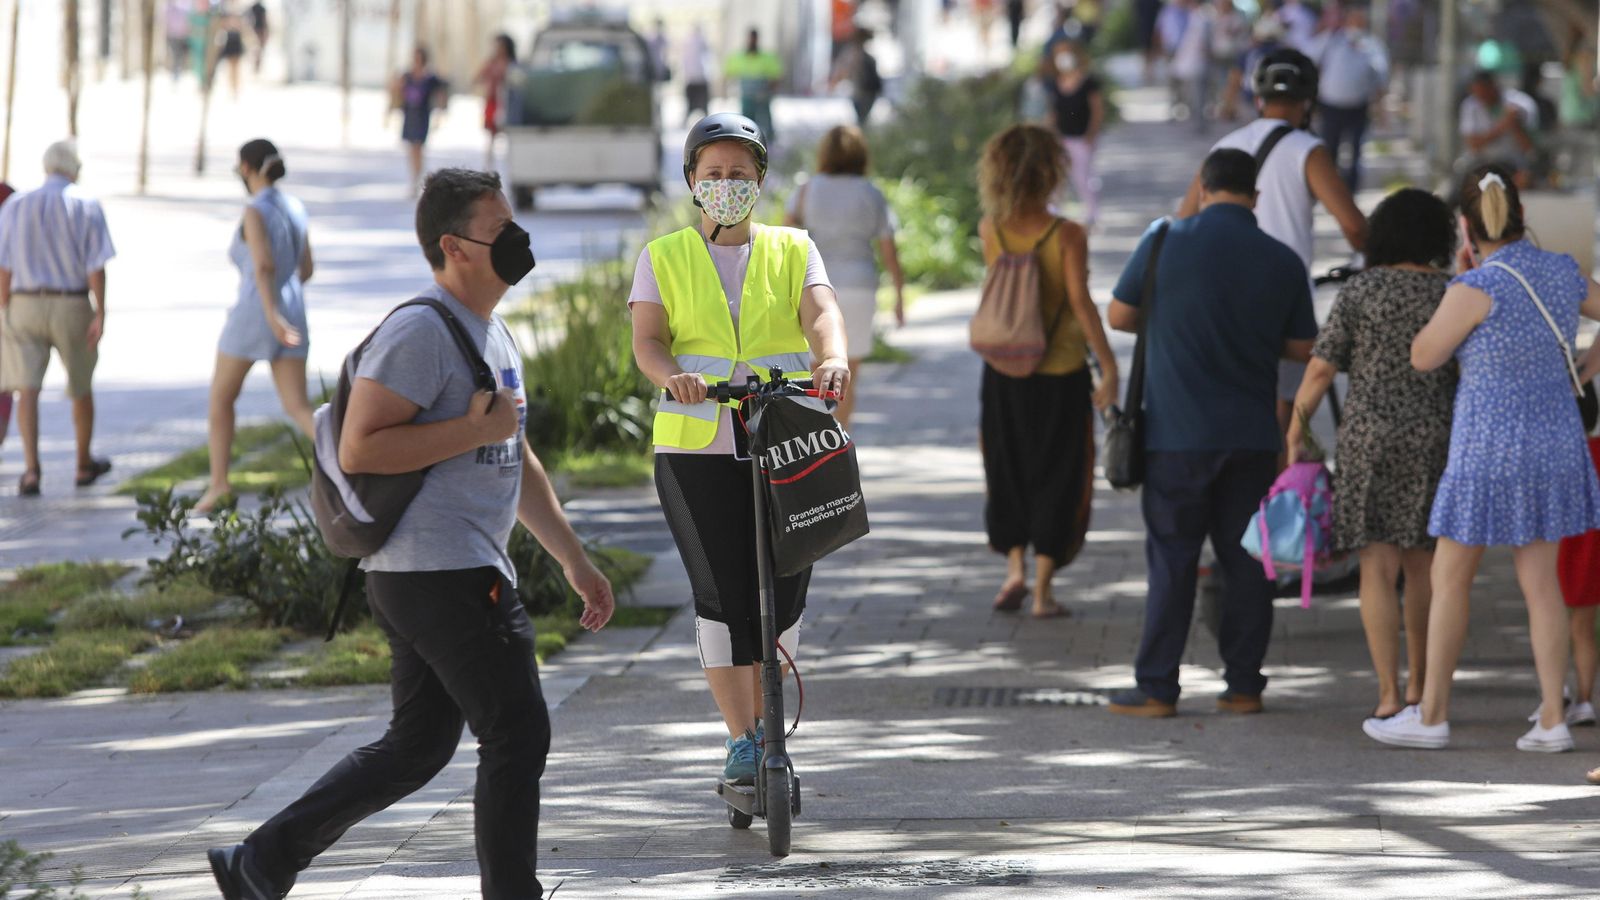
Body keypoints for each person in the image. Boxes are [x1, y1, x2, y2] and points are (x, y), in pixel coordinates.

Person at [207, 167, 616, 900]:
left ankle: (261, 863)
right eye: (501, 229)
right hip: (439, 571)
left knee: (418, 746)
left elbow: (515, 458)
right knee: (518, 734)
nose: (517, 238)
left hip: (444, 568)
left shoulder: (492, 333)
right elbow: (362, 447)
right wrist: (469, 428)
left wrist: (575, 562)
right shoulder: (420, 331)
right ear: (455, 247)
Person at [629, 113, 848, 785]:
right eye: (714, 174)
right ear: (693, 181)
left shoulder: (793, 247)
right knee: (721, 597)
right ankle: (742, 738)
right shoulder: (662, 256)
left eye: (740, 174)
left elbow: (820, 313)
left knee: (785, 598)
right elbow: (649, 340)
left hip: (788, 436)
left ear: (760, 180)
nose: (727, 185)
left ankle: (771, 723)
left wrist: (832, 356)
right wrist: (675, 378)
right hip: (696, 446)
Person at [1365, 166, 1600, 753]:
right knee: (1541, 585)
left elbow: (1423, 356)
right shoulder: (1562, 272)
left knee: (1450, 579)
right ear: (1521, 217)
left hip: (1486, 449)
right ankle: (1553, 717)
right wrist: (1586, 367)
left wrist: (1461, 286)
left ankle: (1432, 715)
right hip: (1554, 443)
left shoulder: (1474, 288)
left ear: (1465, 227)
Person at [1105, 148, 1316, 717]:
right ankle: (1244, 685)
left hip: (1173, 434)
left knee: (1172, 559)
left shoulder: (1163, 240)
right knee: (1246, 560)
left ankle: (1157, 688)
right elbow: (1303, 347)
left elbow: (1119, 316)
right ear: (1256, 196)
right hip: (1251, 435)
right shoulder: (1282, 259)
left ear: (1202, 186)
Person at [1285, 188, 1458, 722]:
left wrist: (1296, 429)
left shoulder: (1362, 290)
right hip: (1436, 437)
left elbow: (1320, 367)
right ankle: (1421, 688)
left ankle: (1386, 692)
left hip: (1368, 439)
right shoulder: (1454, 292)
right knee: (1425, 566)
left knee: (1375, 568)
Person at [1179, 48, 1367, 442]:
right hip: (1282, 298)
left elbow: (1184, 223)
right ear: (1309, 100)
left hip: (1219, 296)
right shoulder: (1308, 150)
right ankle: (1273, 498)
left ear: (1258, 98)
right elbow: (1353, 225)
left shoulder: (1224, 147)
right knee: (1281, 420)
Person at [976, 125, 1118, 619]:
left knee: (1007, 465)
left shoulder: (990, 227)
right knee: (1059, 470)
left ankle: (1013, 567)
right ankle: (1041, 591)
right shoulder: (1067, 233)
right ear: (1051, 171)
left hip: (1002, 367)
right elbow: (1081, 304)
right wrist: (1111, 367)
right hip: (1060, 371)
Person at [195, 140, 315, 513]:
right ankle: (348, 461)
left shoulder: (253, 211)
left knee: (221, 398)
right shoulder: (296, 206)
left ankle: (218, 485)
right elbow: (307, 268)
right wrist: (283, 308)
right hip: (294, 308)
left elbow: (262, 265)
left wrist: (270, 313)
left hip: (255, 312)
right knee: (297, 406)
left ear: (247, 168)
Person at [0, 141, 115, 496]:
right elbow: (96, 265)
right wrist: (101, 310)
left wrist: (4, 308)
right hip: (71, 302)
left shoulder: (16, 205)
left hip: (24, 303)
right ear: (74, 168)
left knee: (27, 389)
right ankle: (83, 464)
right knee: (80, 385)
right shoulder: (86, 203)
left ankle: (32, 470)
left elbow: (4, 264)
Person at [784, 125, 905, 428]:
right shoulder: (871, 193)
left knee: (813, 373)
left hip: (815, 287)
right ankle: (841, 444)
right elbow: (889, 250)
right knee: (846, 373)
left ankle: (814, 451)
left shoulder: (806, 190)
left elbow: (783, 241)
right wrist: (899, 297)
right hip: (860, 287)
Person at [1546, 386, 1600, 730]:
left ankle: (1552, 698)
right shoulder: (1596, 450)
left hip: (1556, 543)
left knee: (1548, 619)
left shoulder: (1554, 452)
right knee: (1583, 626)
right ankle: (1583, 700)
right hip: (1591, 545)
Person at [1306, 3, 1389, 192]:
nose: (1357, 23)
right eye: (1354, 19)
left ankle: (1350, 191)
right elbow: (1309, 57)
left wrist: (1382, 111)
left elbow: (1380, 80)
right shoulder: (1331, 39)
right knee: (1329, 150)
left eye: (1361, 19)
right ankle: (1329, 189)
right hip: (1331, 106)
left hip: (1358, 107)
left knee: (1355, 153)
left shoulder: (1373, 45)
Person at [1044, 38, 1105, 226]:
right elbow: (1054, 112)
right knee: (1056, 177)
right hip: (1061, 138)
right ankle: (1053, 213)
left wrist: (1091, 134)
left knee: (1082, 177)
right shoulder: (1056, 83)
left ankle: (1092, 213)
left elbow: (1097, 110)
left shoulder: (1088, 82)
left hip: (1081, 138)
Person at [1458, 70, 1537, 184]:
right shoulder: (1470, 105)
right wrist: (1503, 125)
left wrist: (1515, 125)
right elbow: (1473, 145)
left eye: (1485, 92)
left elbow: (1529, 148)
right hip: (1481, 162)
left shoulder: (1519, 103)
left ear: (1493, 87)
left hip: (1511, 164)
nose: (1482, 98)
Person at [394, 46, 448, 197]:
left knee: (419, 147)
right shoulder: (408, 75)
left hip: (422, 115)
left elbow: (441, 91)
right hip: (409, 115)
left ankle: (417, 179)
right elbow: (397, 89)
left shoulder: (430, 78)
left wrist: (441, 112)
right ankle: (413, 178)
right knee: (411, 148)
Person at [725, 31, 783, 149]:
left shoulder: (766, 57)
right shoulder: (739, 57)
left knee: (765, 119)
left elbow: (775, 75)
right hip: (747, 95)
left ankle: (769, 143)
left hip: (763, 94)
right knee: (747, 121)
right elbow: (728, 73)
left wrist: (770, 89)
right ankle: (748, 142)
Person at [474, 34, 517, 169]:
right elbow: (478, 77)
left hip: (508, 103)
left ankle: (511, 165)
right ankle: (489, 166)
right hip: (493, 102)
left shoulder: (512, 63)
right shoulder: (491, 63)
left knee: (510, 134)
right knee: (491, 136)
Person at [829, 28, 883, 126]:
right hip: (861, 91)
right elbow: (844, 70)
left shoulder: (859, 53)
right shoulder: (854, 53)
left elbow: (843, 70)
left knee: (862, 119)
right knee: (862, 119)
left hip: (865, 91)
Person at [682, 23, 712, 125]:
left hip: (697, 77)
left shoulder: (700, 42)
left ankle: (708, 122)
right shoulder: (692, 42)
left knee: (701, 105)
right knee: (692, 105)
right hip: (695, 78)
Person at [215, 2, 246, 100]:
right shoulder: (225, 10)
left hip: (236, 40)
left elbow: (243, 27)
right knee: (230, 68)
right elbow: (221, 25)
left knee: (236, 68)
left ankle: (236, 88)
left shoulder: (239, 11)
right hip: (229, 41)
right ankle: (232, 88)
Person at [165, 0, 191, 82]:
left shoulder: (183, 7)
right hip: (173, 36)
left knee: (179, 56)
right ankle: (175, 74)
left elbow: (186, 21)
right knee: (176, 55)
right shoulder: (168, 9)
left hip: (181, 36)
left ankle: (177, 73)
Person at [248, 1, 268, 74]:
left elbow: (264, 20)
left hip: (258, 30)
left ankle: (257, 66)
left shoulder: (259, 8)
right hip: (257, 30)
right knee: (257, 50)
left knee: (258, 50)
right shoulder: (254, 8)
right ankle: (256, 66)